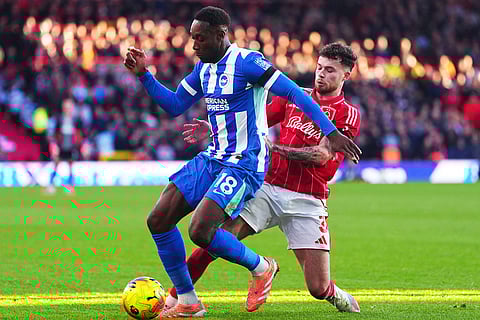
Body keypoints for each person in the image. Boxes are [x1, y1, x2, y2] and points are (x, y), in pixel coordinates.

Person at [124, 6, 362, 317]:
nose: (193, 45)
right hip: (230, 164)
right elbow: (174, 105)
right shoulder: (203, 69)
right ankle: (186, 300)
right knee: (161, 220)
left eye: (200, 38)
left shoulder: (248, 63)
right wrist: (144, 74)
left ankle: (263, 268)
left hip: (255, 169)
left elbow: (295, 97)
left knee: (204, 231)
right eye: (192, 38)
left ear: (220, 36)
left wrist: (330, 133)